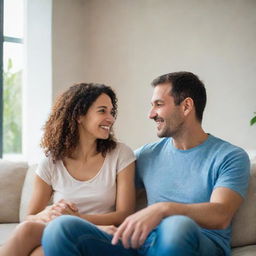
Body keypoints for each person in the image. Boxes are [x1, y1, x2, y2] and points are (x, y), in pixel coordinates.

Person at [41, 72, 250, 256]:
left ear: (186, 106)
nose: (151, 114)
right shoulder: (146, 155)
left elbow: (221, 214)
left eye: (158, 105)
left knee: (177, 226)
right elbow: (104, 184)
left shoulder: (229, 156)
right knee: (61, 229)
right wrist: (72, 214)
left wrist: (163, 209)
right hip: (142, 242)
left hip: (198, 243)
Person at [0, 83, 135, 256]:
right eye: (102, 111)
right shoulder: (50, 164)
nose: (111, 118)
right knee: (36, 248)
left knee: (34, 237)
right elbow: (30, 217)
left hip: (99, 234)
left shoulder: (120, 154)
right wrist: (48, 212)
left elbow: (124, 214)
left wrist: (76, 219)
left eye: (111, 112)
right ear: (79, 116)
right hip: (59, 231)